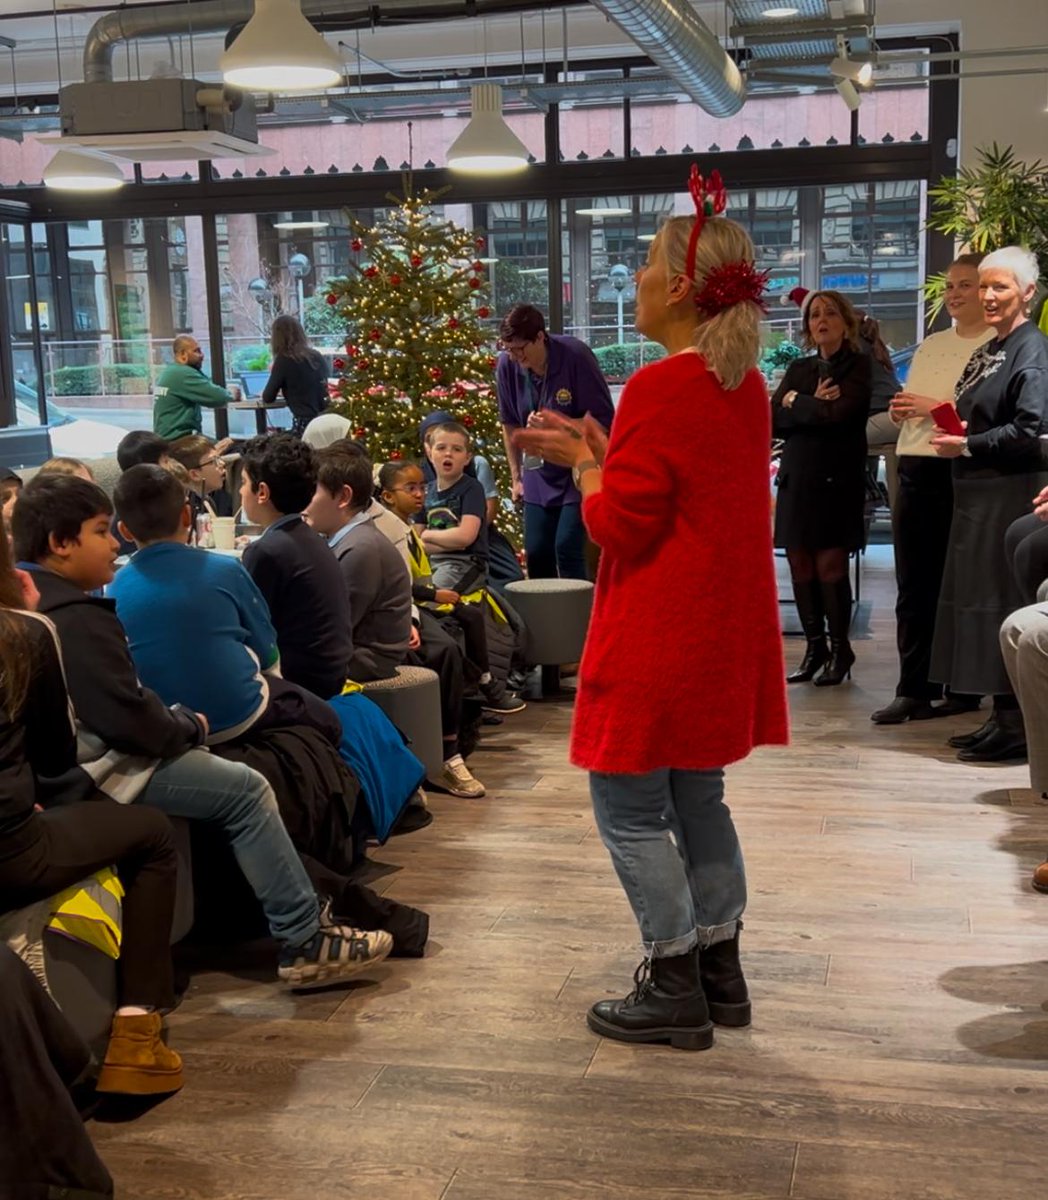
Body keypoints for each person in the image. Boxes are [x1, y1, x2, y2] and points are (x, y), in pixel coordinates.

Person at [513, 168, 788, 1050]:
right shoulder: (740, 384)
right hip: (714, 633)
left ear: (679, 287)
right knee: (698, 796)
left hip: (658, 631)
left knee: (630, 808)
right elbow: (684, 496)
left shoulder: (663, 387)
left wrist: (586, 467)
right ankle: (719, 970)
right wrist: (602, 445)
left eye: (640, 266)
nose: (630, 280)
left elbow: (621, 526)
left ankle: (671, 980)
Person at [12, 473, 391, 989]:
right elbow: (127, 718)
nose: (112, 544)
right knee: (246, 786)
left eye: (111, 530)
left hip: (55, 773)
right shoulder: (76, 614)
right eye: (99, 532)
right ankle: (304, 937)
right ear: (60, 543)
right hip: (95, 769)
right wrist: (187, 726)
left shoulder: (70, 596)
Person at [0, 512, 184, 1097]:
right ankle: (137, 1034)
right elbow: (56, 754)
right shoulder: (24, 632)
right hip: (12, 850)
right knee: (151, 833)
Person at [109, 465, 343, 747]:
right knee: (328, 718)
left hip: (168, 724)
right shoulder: (226, 568)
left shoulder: (115, 587)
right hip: (238, 716)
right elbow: (267, 650)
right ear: (186, 515)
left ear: (123, 530)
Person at [310, 449, 487, 798]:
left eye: (313, 491)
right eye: (412, 487)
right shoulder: (344, 532)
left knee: (446, 648)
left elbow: (348, 619)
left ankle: (430, 761)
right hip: (386, 626)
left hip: (380, 641)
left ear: (344, 496)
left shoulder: (366, 539)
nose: (420, 494)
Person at [930, 246, 1048, 763]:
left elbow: (1028, 427)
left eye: (999, 287)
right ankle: (1000, 714)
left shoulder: (1032, 349)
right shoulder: (991, 346)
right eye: (984, 286)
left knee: (1002, 600)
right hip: (975, 488)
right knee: (977, 601)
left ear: (1027, 292)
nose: (988, 296)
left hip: (1008, 487)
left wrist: (970, 444)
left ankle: (1018, 721)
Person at [871, 253, 993, 724]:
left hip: (964, 472)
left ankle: (965, 686)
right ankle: (913, 687)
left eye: (968, 285)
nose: (957, 294)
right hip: (916, 466)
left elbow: (984, 418)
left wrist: (935, 405)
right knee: (913, 585)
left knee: (961, 583)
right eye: (952, 286)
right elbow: (919, 403)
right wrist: (906, 410)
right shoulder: (931, 344)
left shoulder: (998, 346)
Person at [772, 290, 872, 687]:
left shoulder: (859, 367)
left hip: (837, 479)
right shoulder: (799, 368)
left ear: (845, 323)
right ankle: (815, 649)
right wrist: (810, 402)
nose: (821, 320)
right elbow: (774, 419)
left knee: (830, 566)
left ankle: (840, 647)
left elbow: (841, 415)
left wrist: (799, 404)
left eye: (830, 313)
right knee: (799, 563)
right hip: (798, 477)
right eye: (814, 315)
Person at [380, 458, 525, 717]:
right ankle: (472, 697)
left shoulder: (409, 527)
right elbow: (398, 584)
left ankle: (484, 685)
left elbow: (456, 542)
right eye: (411, 488)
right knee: (448, 641)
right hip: (409, 604)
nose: (420, 495)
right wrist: (435, 594)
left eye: (422, 488)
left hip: (423, 595)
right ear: (388, 496)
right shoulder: (389, 532)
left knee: (470, 614)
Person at [497, 304, 615, 580]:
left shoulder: (575, 356)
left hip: (577, 469)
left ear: (540, 337)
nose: (515, 357)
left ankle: (580, 620)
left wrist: (558, 428)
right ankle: (544, 621)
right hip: (537, 470)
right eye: (508, 349)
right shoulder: (507, 364)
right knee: (537, 551)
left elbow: (603, 422)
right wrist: (516, 477)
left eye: (520, 349)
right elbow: (509, 423)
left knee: (567, 547)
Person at [238, 433, 353, 700]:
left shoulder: (266, 550)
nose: (241, 491)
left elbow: (250, 629)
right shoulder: (310, 537)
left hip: (299, 684)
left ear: (262, 492)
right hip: (331, 674)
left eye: (244, 483)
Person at [417, 421, 490, 592]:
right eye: (441, 448)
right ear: (430, 453)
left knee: (431, 596)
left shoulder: (472, 488)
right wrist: (452, 541)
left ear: (467, 458)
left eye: (457, 449)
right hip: (430, 561)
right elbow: (417, 541)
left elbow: (465, 537)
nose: (448, 454)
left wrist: (428, 534)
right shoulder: (426, 491)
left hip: (464, 563)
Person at [153, 335, 237, 440]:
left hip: (168, 440)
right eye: (196, 351)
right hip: (180, 441)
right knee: (236, 449)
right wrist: (231, 393)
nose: (202, 355)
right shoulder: (183, 373)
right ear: (183, 354)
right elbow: (218, 397)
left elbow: (206, 385)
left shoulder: (171, 371)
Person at [263, 315, 330, 436]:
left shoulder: (284, 359)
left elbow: (268, 397)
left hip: (304, 425)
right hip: (325, 420)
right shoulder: (316, 355)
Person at [167, 433, 235, 524]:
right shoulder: (184, 509)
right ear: (195, 474)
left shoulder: (210, 500)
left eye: (219, 458)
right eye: (213, 461)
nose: (222, 463)